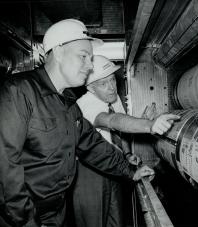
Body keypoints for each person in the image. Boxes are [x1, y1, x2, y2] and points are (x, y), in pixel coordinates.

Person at [0, 19, 154, 227]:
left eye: (90, 58)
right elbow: (4, 170)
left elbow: (92, 144)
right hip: (21, 218)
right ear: (60, 52)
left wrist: (129, 170)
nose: (90, 66)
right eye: (84, 56)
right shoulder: (18, 92)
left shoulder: (68, 102)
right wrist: (28, 221)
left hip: (55, 214)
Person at [73, 55, 180, 227]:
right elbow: (112, 120)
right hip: (90, 174)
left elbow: (121, 128)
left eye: (112, 80)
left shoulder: (112, 99)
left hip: (112, 166)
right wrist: (150, 125)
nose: (111, 88)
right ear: (91, 89)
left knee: (116, 221)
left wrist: (127, 153)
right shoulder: (86, 105)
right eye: (103, 84)